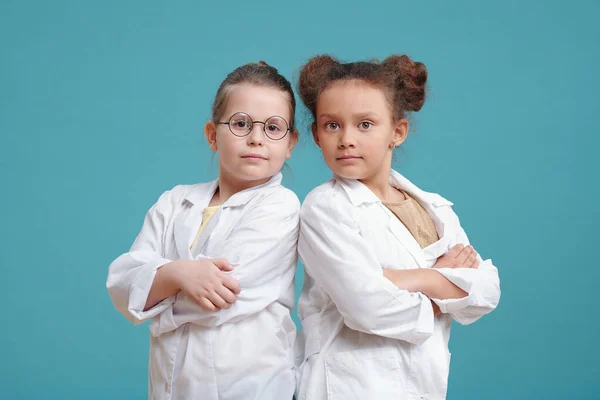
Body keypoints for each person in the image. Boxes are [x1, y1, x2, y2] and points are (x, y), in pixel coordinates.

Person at [295, 54, 501, 400]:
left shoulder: (433, 207)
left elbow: (484, 292)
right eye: (332, 125)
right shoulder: (324, 207)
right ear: (316, 134)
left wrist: (399, 278)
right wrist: (440, 281)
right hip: (348, 387)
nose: (346, 138)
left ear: (398, 131)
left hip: (424, 384)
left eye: (365, 124)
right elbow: (368, 308)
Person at [107, 61, 300, 400]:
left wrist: (154, 288)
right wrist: (181, 273)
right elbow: (122, 285)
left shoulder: (281, 207)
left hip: (252, 386)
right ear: (213, 135)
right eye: (241, 124)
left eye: (273, 128)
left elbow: (223, 297)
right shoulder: (175, 201)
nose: (256, 138)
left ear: (290, 143)